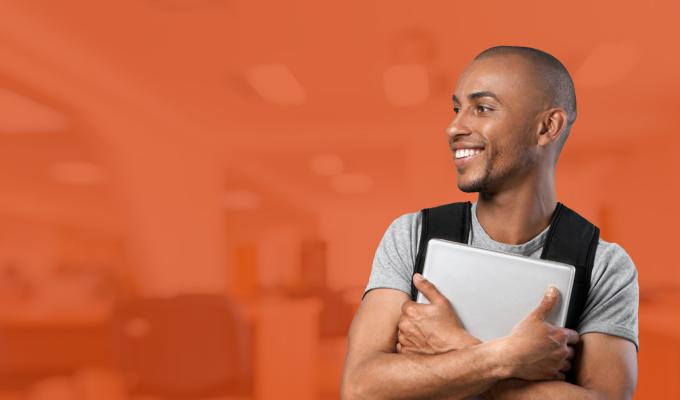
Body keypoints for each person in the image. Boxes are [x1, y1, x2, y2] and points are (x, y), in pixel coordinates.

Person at [340, 46, 639, 400]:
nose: (454, 127)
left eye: (482, 108)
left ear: (547, 127)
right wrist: (505, 358)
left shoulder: (604, 265)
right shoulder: (411, 235)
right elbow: (361, 388)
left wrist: (453, 346)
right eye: (457, 108)